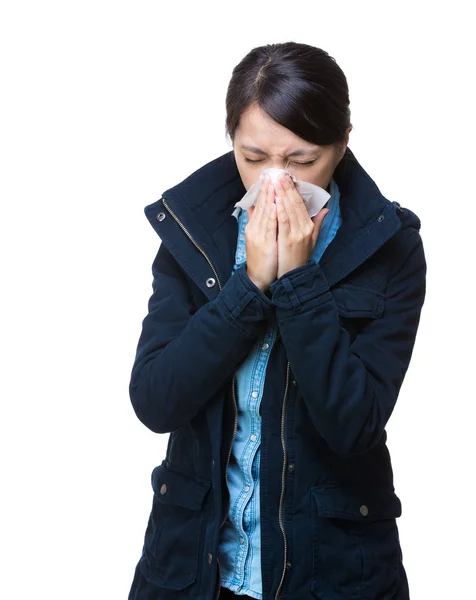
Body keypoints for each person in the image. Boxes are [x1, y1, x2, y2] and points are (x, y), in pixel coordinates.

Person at [127, 42, 426, 600]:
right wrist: (249, 288)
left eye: (301, 160)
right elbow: (155, 400)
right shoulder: (191, 232)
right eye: (254, 157)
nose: (276, 183)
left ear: (342, 144)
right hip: (192, 569)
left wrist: (295, 283)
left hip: (333, 573)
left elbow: (353, 425)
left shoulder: (391, 249)